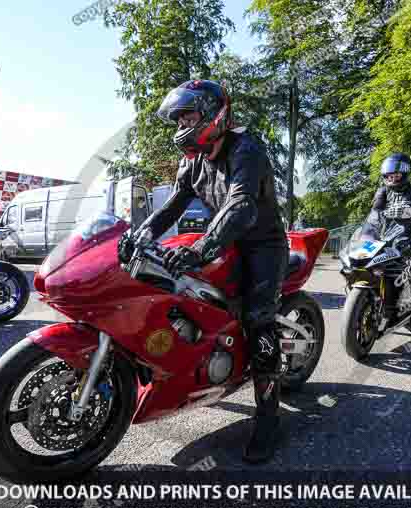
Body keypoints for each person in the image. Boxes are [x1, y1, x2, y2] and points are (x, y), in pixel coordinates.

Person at [117, 80, 289, 464]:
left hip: (262, 245)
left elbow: (241, 205)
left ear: (214, 114)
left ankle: (268, 418)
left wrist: (201, 247)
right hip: (224, 240)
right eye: (178, 119)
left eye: (188, 116)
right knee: (180, 292)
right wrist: (138, 234)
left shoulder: (248, 150)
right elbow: (173, 207)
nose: (182, 125)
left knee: (259, 319)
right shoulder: (192, 161)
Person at [354, 152, 411, 315]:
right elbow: (375, 212)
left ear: (405, 172)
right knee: (362, 256)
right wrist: (366, 232)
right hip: (385, 236)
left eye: (395, 174)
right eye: (389, 174)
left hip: (408, 234)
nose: (392, 177)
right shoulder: (382, 191)